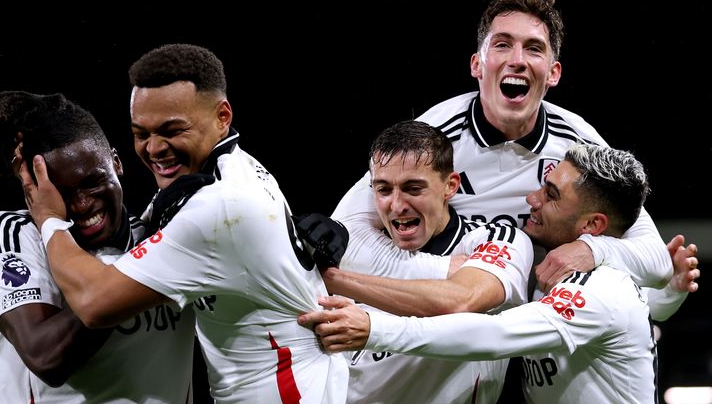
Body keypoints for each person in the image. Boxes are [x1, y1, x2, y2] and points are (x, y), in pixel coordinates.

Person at [19, 43, 349, 403]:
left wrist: (49, 219)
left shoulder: (218, 207)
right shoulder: (230, 171)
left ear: (223, 116)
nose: (154, 148)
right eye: (141, 133)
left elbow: (93, 302)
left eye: (172, 130)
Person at [300, 143, 700, 403]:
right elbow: (642, 315)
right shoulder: (557, 270)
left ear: (592, 227)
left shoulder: (601, 288)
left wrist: (373, 329)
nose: (531, 198)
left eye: (551, 195)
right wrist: (671, 294)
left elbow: (492, 334)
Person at [0, 91, 196, 403]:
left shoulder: (162, 238)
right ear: (37, 190)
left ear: (117, 163)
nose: (81, 205)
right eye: (62, 193)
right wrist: (143, 265)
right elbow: (47, 358)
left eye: (93, 181)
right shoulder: (14, 236)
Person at [318, 119, 536, 403]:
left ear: (450, 185)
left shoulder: (498, 239)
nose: (397, 205)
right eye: (383, 189)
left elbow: (463, 300)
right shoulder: (358, 246)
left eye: (413, 188)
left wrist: (334, 278)